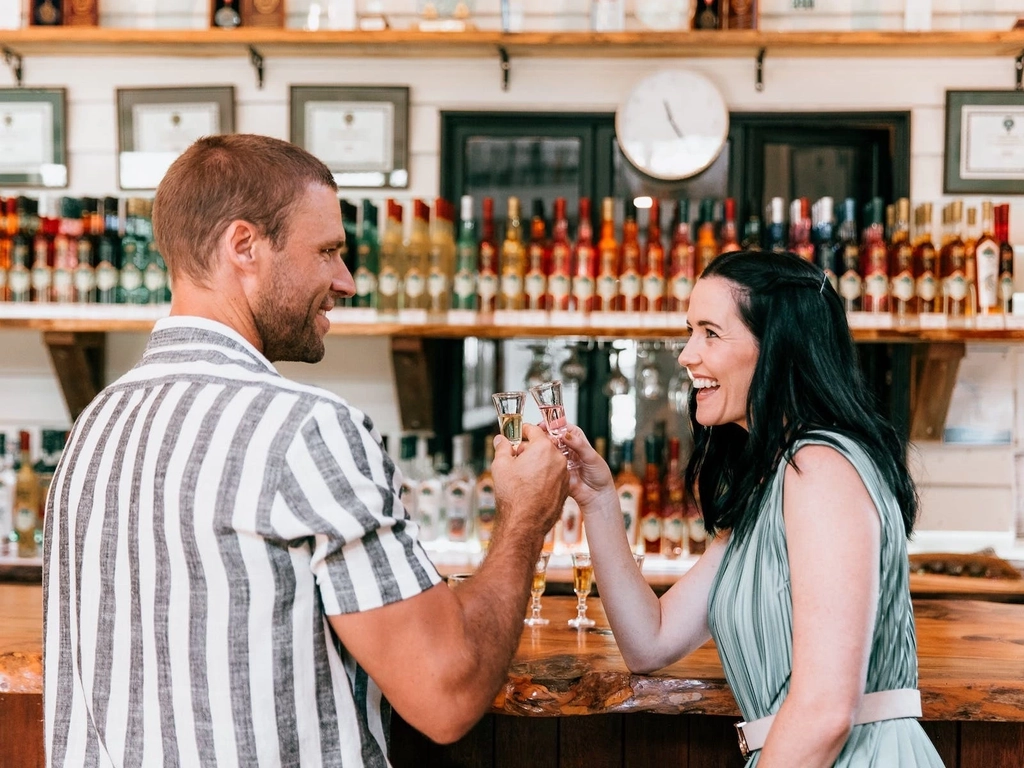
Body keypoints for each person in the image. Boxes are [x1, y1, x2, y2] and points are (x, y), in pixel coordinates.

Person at [43, 133, 569, 768]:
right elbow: (446, 695)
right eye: (326, 252)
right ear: (244, 247)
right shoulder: (305, 429)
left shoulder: (96, 422)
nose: (345, 281)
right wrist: (524, 517)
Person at [564, 250, 944, 766]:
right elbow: (649, 641)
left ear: (778, 349)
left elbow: (826, 710)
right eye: (690, 330)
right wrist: (599, 500)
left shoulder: (820, 468)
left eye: (710, 333)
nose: (687, 354)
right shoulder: (774, 482)